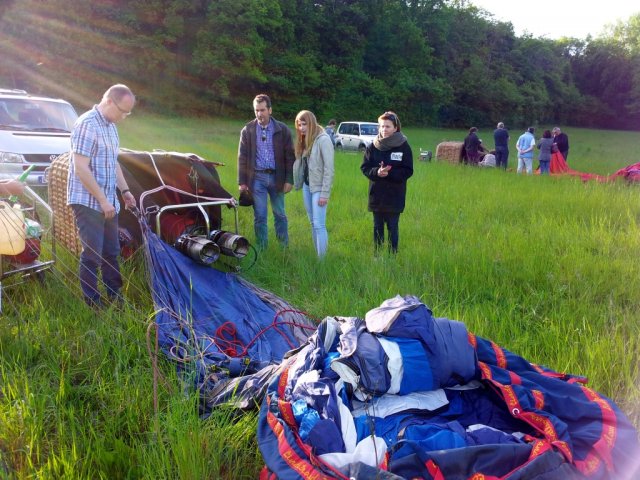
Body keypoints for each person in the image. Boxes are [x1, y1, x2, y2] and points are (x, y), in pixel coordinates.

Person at [67, 84, 136, 308]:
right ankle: (94, 304)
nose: (124, 117)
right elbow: (80, 168)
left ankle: (115, 298)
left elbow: (113, 161)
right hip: (87, 201)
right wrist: (103, 201)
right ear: (108, 101)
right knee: (92, 254)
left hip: (109, 201)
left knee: (112, 252)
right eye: (122, 111)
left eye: (128, 113)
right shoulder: (87, 124)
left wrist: (125, 192)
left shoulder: (111, 126)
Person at [237, 94, 295, 249]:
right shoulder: (248, 130)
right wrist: (242, 182)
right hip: (257, 179)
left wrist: (289, 179)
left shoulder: (282, 130)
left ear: (270, 110)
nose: (259, 114)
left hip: (278, 178)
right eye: (257, 110)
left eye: (262, 110)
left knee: (280, 215)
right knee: (260, 216)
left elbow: (290, 157)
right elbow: (242, 157)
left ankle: (284, 248)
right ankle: (262, 249)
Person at [360, 111, 413, 254]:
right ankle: (377, 255)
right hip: (376, 195)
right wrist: (377, 172)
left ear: (395, 128)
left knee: (392, 227)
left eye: (388, 126)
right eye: (382, 126)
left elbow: (408, 170)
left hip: (394, 195)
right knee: (377, 227)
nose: (384, 129)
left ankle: (392, 256)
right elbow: (365, 168)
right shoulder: (373, 146)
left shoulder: (403, 146)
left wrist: (390, 173)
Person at [294, 110, 334, 258]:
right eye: (299, 124)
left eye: (304, 124)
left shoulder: (323, 139)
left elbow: (329, 169)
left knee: (319, 224)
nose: (301, 127)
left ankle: (322, 260)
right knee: (312, 223)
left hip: (318, 188)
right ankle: (317, 254)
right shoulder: (304, 140)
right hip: (307, 186)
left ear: (311, 123)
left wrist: (325, 194)